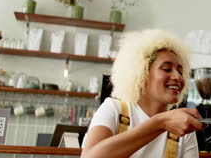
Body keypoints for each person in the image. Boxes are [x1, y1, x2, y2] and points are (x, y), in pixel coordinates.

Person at [82, 29, 204, 158]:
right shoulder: (115, 109)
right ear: (142, 73)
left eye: (180, 72)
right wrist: (160, 123)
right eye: (167, 69)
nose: (178, 77)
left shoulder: (185, 130)